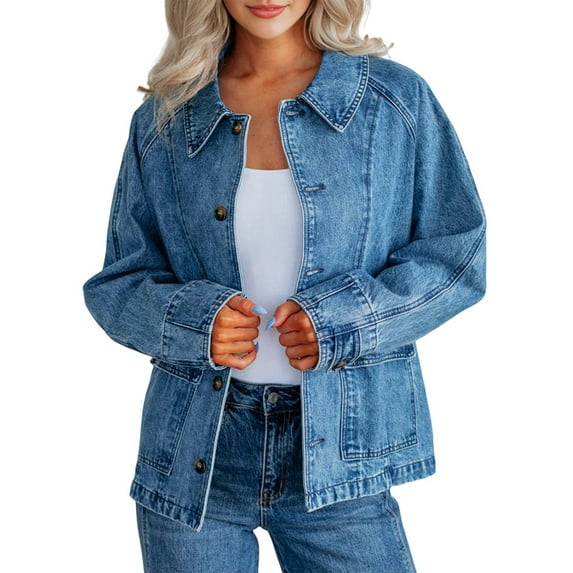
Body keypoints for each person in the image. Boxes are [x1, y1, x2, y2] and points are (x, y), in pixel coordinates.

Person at [83, 0, 486, 571]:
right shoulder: (166, 117)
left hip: (341, 453)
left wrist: (344, 322)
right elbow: (119, 282)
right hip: (198, 455)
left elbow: (458, 255)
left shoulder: (393, 101)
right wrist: (195, 322)